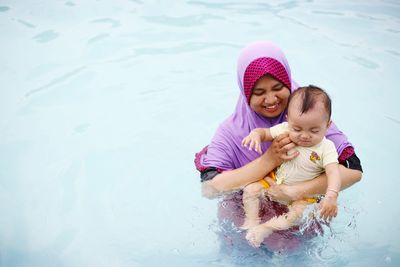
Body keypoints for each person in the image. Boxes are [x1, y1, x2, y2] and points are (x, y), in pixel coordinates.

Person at [194, 41, 363, 250]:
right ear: (246, 93)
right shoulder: (231, 131)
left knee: (290, 252)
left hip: (297, 220)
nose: (271, 99)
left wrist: (296, 191)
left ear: (288, 83)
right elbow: (210, 189)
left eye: (278, 88)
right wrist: (269, 160)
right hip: (244, 217)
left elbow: (353, 171)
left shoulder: (308, 117)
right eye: (259, 92)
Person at [241, 85, 341, 248]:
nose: (304, 135)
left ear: (328, 126)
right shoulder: (285, 129)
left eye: (314, 130)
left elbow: (334, 172)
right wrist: (256, 135)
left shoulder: (326, 147)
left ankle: (266, 228)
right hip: (275, 181)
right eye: (297, 128)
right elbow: (265, 133)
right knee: (250, 190)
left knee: (297, 215)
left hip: (304, 197)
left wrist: (331, 195)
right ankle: (251, 222)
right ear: (288, 120)